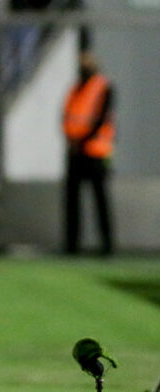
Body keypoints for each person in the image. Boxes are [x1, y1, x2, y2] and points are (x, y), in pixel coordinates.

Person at [63, 50, 115, 256]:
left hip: (96, 153)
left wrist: (82, 140)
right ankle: (72, 245)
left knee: (100, 200)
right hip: (75, 153)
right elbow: (67, 116)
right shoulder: (75, 89)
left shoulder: (103, 87)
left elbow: (101, 118)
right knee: (72, 200)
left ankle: (107, 246)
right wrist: (72, 141)